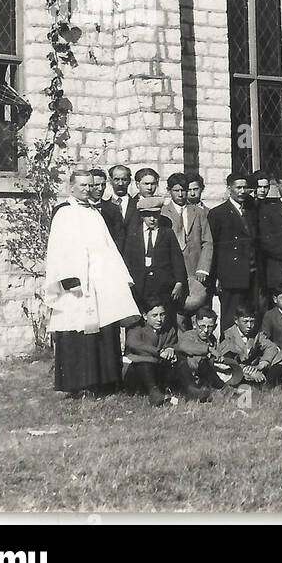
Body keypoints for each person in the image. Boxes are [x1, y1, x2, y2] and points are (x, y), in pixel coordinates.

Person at [44, 169, 141, 396]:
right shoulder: (64, 213)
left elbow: (108, 248)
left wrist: (119, 278)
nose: (88, 189)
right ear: (72, 187)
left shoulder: (95, 213)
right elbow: (58, 250)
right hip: (76, 285)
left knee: (104, 330)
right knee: (77, 330)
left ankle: (104, 381)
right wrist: (68, 280)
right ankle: (78, 384)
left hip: (100, 283)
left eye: (91, 185)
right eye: (83, 185)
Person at [123, 297, 206, 406]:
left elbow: (175, 344)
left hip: (157, 371)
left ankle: (191, 388)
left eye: (162, 315)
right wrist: (159, 352)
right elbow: (133, 343)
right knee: (144, 362)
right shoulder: (137, 328)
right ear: (144, 316)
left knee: (178, 357)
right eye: (154, 315)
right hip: (137, 375)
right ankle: (154, 394)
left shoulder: (168, 329)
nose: (159, 319)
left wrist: (171, 349)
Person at [208, 173, 260, 333]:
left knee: (250, 316)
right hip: (230, 275)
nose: (242, 191)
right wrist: (215, 277)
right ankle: (228, 352)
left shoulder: (252, 211)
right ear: (229, 188)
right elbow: (213, 248)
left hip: (251, 273)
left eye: (245, 187)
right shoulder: (218, 213)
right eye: (238, 187)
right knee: (230, 316)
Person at [121, 196, 187, 316]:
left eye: (155, 215)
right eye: (148, 215)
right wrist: (128, 282)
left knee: (164, 317)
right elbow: (127, 261)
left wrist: (179, 282)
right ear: (142, 216)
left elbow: (177, 259)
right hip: (140, 286)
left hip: (163, 286)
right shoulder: (133, 234)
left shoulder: (167, 233)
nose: (152, 219)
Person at [164, 172, 213, 304]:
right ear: (169, 191)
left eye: (183, 190)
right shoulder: (162, 213)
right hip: (172, 273)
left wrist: (203, 268)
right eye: (176, 191)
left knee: (198, 309)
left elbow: (208, 242)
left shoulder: (199, 212)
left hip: (196, 271)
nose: (180, 194)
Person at [212, 305, 281, 387]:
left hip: (256, 366)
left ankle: (269, 382)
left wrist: (262, 363)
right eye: (245, 322)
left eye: (252, 321)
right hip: (237, 370)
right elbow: (228, 360)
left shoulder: (256, 333)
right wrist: (250, 371)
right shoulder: (228, 336)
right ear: (236, 321)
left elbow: (271, 347)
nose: (249, 326)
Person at [87, 168, 126, 250]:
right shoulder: (79, 207)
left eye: (103, 184)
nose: (101, 189)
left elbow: (119, 237)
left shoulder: (113, 209)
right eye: (96, 185)